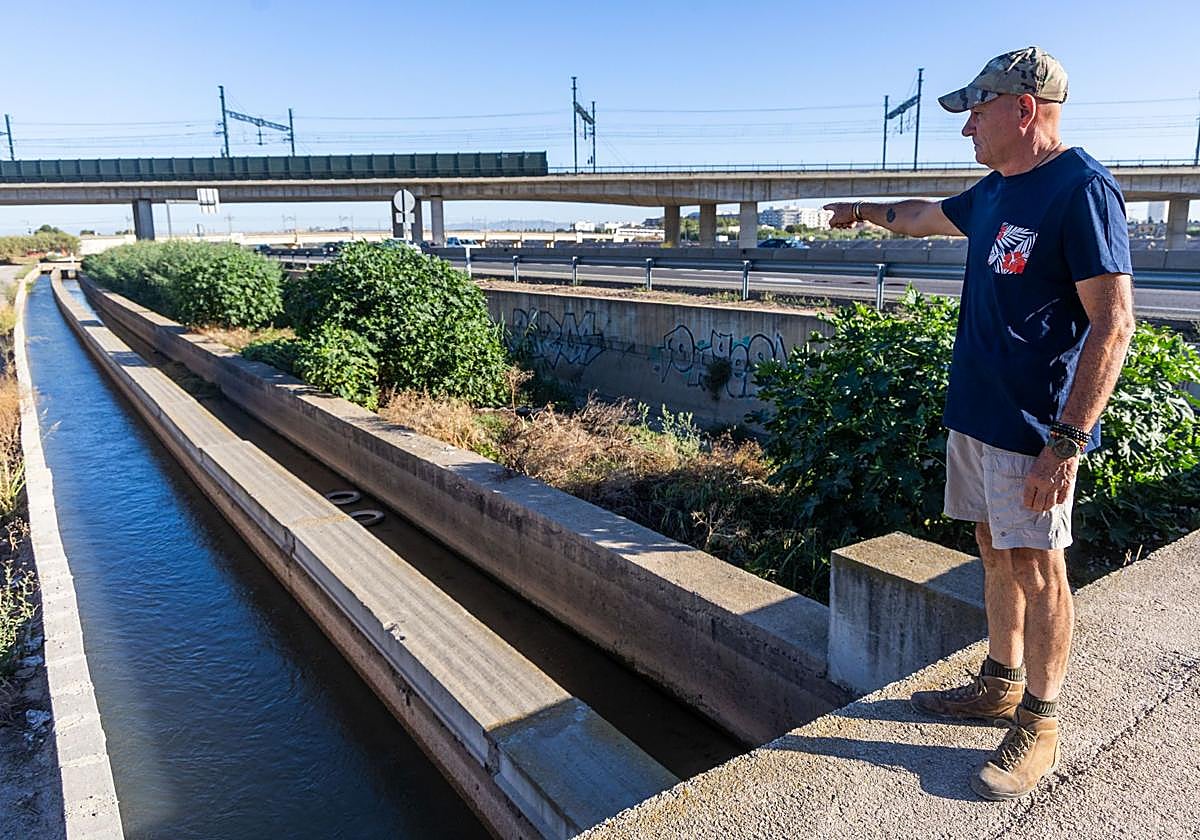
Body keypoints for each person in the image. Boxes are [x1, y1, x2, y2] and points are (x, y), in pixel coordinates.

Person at [824, 46, 1135, 800]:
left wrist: (1065, 443)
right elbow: (928, 215)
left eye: (977, 113)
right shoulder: (997, 188)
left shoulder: (1081, 190)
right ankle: (1000, 679)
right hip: (978, 415)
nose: (968, 129)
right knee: (993, 547)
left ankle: (1042, 719)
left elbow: (1114, 323)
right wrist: (866, 210)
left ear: (1024, 109)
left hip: (1035, 428)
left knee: (1039, 566)